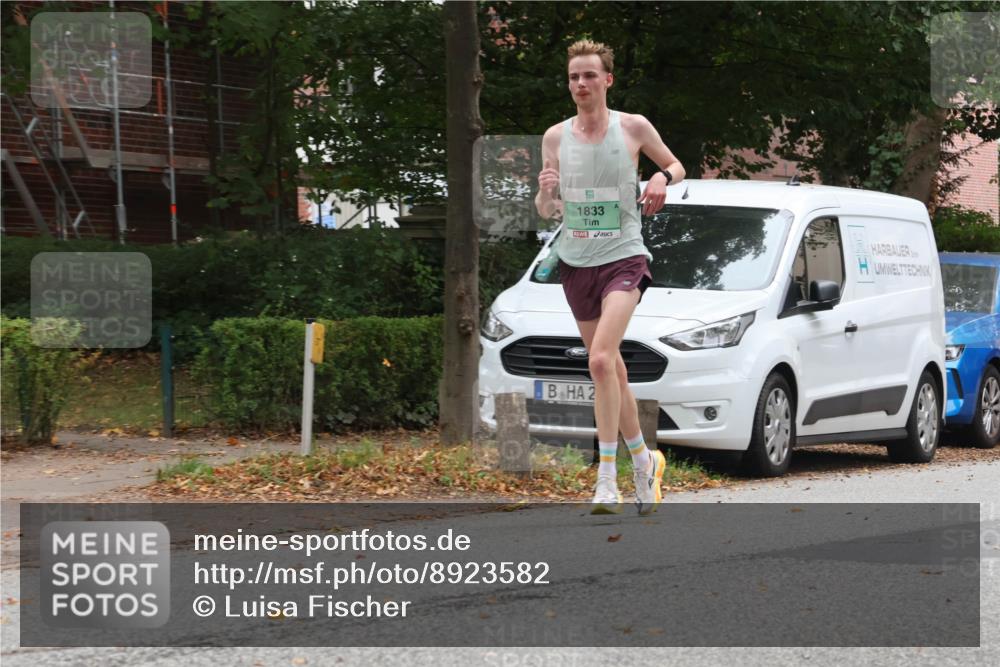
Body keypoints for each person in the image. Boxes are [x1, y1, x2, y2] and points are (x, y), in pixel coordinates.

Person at [535, 39, 685, 515]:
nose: (581, 84)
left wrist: (662, 178)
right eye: (574, 77)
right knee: (612, 367)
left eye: (589, 76)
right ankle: (644, 461)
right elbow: (545, 210)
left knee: (600, 359)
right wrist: (545, 193)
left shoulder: (633, 127)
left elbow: (675, 165)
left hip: (624, 256)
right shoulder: (555, 137)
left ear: (607, 80)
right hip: (575, 261)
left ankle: (605, 479)